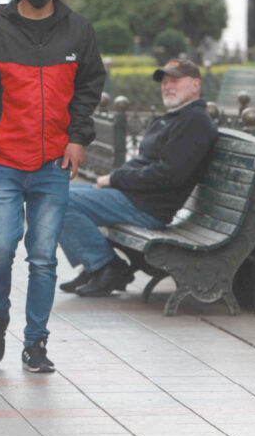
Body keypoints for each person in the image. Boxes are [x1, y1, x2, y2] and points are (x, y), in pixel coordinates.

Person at [0, 0, 107, 373]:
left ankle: (36, 343)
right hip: (3, 160)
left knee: (43, 257)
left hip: (54, 164)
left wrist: (78, 137)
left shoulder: (78, 30)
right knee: (1, 248)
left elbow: (88, 87)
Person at [58, 59, 218, 297]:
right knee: (51, 195)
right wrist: (115, 178)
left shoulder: (194, 122)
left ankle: (107, 267)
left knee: (59, 201)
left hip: (147, 207)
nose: (167, 86)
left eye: (175, 80)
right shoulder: (173, 117)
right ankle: (95, 267)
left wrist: (115, 179)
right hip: (131, 197)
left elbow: (168, 175)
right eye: (164, 82)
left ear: (196, 85)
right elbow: (146, 164)